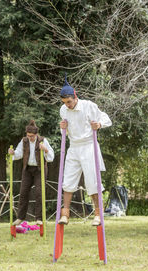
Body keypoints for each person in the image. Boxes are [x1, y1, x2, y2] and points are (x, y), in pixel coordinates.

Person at [58, 76, 112, 226]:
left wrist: (99, 124)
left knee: (92, 181)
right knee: (68, 180)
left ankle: (97, 213)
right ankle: (65, 213)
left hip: (89, 146)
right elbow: (68, 130)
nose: (67, 105)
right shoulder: (63, 110)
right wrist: (63, 127)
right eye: (64, 102)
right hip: (73, 147)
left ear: (75, 96)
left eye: (69, 101)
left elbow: (106, 118)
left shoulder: (89, 106)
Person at [8, 120, 54, 226]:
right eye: (28, 136)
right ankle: (20, 217)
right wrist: (13, 153)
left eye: (32, 136)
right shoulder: (24, 141)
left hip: (40, 169)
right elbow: (19, 153)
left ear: (36, 134)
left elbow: (51, 156)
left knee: (39, 193)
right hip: (27, 169)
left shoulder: (43, 140)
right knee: (23, 192)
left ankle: (39, 218)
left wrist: (45, 150)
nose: (30, 138)